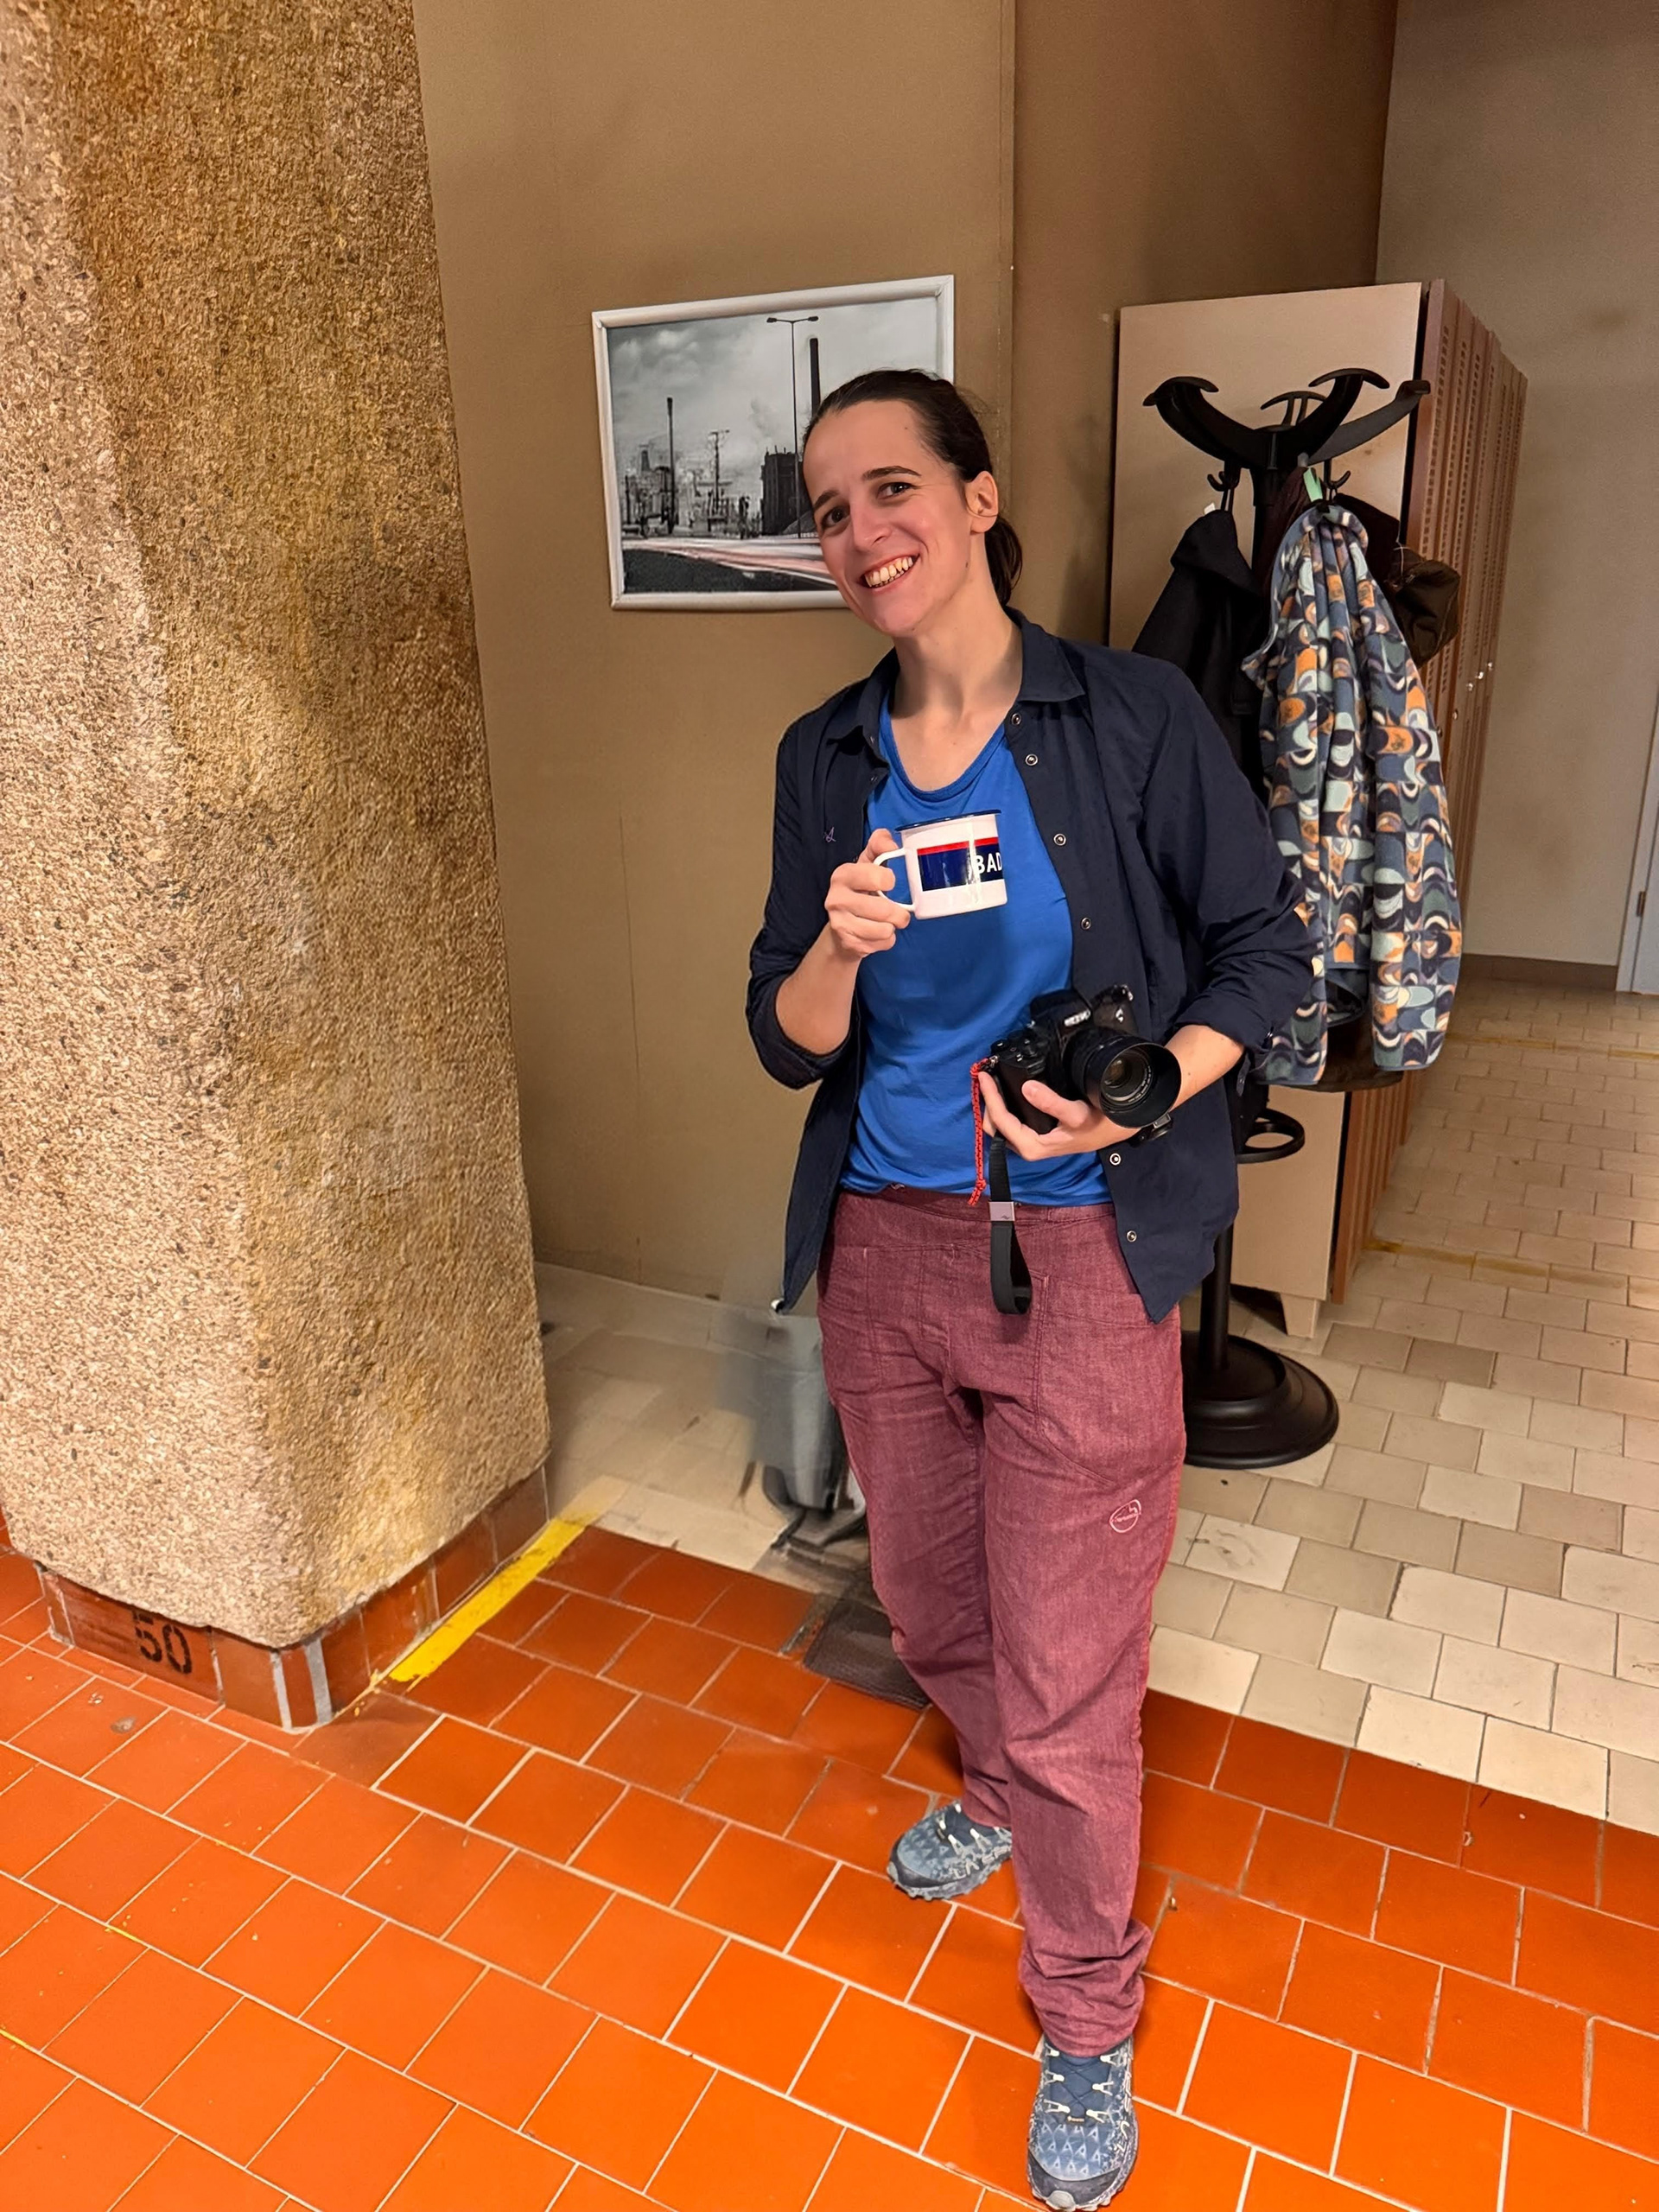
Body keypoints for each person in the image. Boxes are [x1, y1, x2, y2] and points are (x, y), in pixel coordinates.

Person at [746, 368, 1311, 2209]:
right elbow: (784, 1032)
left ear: (979, 502)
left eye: (891, 489)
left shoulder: (1131, 717)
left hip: (1077, 1247)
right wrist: (835, 952)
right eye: (830, 511)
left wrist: (1147, 1092)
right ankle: (989, 1786)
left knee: (1073, 1668)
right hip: (884, 1245)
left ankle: (1083, 2010)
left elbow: (1266, 949)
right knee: (928, 1598)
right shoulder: (824, 757)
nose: (861, 534)